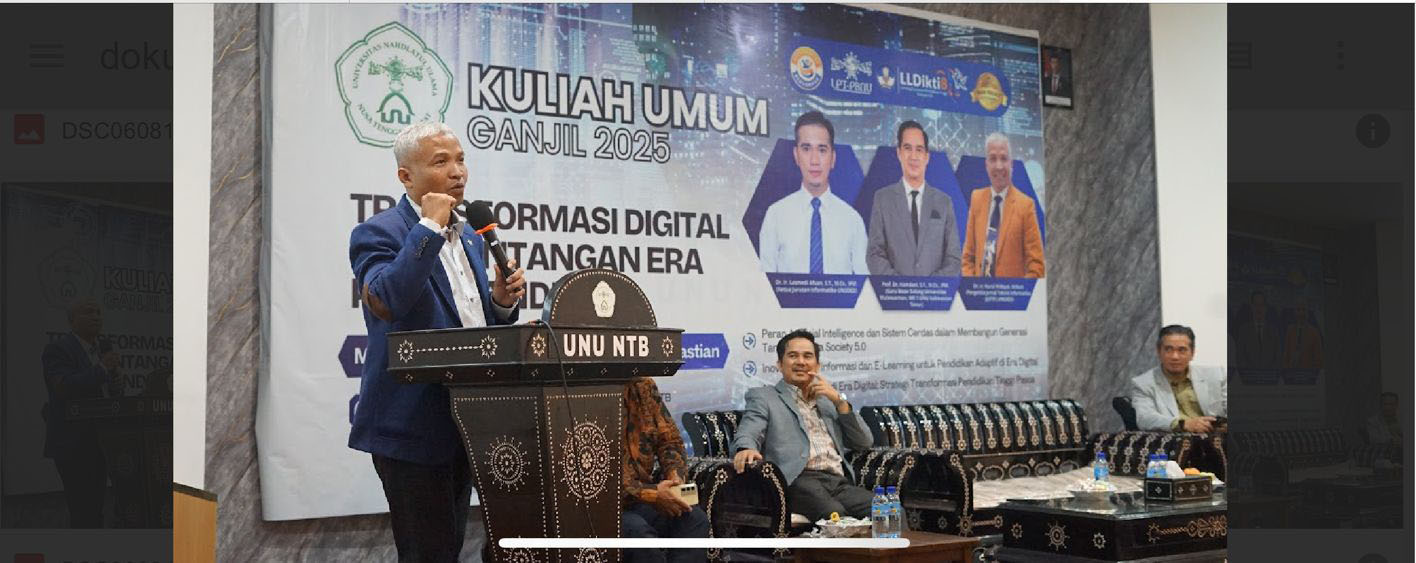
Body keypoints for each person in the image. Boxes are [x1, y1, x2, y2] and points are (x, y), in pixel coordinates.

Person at [348, 121, 526, 562]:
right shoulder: (379, 232)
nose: (458, 171)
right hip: (411, 423)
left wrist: (501, 303)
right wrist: (427, 227)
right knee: (427, 553)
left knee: (450, 547)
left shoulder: (470, 237)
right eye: (441, 162)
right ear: (406, 176)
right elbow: (388, 299)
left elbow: (473, 326)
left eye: (461, 159)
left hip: (468, 420)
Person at [730, 330, 874, 523]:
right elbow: (749, 430)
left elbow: (864, 442)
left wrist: (839, 401)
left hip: (837, 483)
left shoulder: (828, 401)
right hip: (797, 481)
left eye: (807, 356)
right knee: (835, 514)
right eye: (793, 356)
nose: (801, 362)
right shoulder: (764, 397)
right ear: (779, 364)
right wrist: (745, 448)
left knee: (889, 509)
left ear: (817, 365)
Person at [41, 299, 124, 528]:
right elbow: (64, 387)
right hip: (73, 444)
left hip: (101, 441)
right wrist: (103, 369)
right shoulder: (58, 349)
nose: (96, 316)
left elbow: (105, 392)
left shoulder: (101, 349)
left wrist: (116, 383)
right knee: (83, 513)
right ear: (71, 320)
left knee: (96, 511)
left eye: (98, 312)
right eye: (89, 312)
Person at [758, 111, 869, 274]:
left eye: (822, 150)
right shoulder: (775, 215)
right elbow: (764, 281)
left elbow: (865, 282)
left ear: (833, 158)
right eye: (806, 149)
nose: (814, 160)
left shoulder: (853, 221)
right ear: (796, 155)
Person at [621, 377, 708, 563]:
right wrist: (653, 494)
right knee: (640, 536)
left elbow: (670, 442)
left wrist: (675, 479)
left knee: (694, 519)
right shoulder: (586, 390)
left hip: (643, 501)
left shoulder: (644, 385)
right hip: (606, 507)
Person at [866, 120, 961, 277]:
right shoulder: (883, 199)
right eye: (907, 148)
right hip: (894, 291)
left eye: (919, 149)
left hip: (934, 292)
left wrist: (930, 287)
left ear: (927, 157)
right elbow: (874, 254)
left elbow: (954, 258)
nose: (914, 156)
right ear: (899, 153)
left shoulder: (944, 202)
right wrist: (900, 286)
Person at [960, 132, 1045, 278]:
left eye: (1004, 158)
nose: (999, 166)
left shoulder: (1026, 205)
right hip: (978, 291)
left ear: (1011, 164)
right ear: (987, 165)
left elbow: (1036, 265)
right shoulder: (976, 198)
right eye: (993, 159)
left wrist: (1014, 290)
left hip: (1011, 292)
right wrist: (972, 287)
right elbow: (968, 258)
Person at [1129, 325, 1228, 433]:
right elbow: (1145, 419)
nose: (1175, 356)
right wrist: (1182, 424)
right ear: (1158, 351)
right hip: (1175, 440)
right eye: (1168, 349)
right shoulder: (1143, 384)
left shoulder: (1216, 375)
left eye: (1182, 350)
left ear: (1192, 353)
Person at [1234, 290, 1279, 368]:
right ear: (1252, 307)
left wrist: (1270, 373)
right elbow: (1239, 357)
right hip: (1248, 374)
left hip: (1270, 374)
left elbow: (1278, 356)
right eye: (1256, 305)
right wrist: (1250, 373)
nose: (1259, 309)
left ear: (1266, 307)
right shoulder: (1243, 330)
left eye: (1261, 305)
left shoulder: (1274, 331)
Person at [1283, 299, 1323, 368]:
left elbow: (1319, 359)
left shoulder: (1314, 332)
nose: (1301, 313)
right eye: (1298, 310)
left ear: (1307, 312)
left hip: (1308, 372)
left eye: (1303, 309)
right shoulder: (1290, 330)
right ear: (1294, 312)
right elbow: (1286, 355)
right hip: (1292, 372)